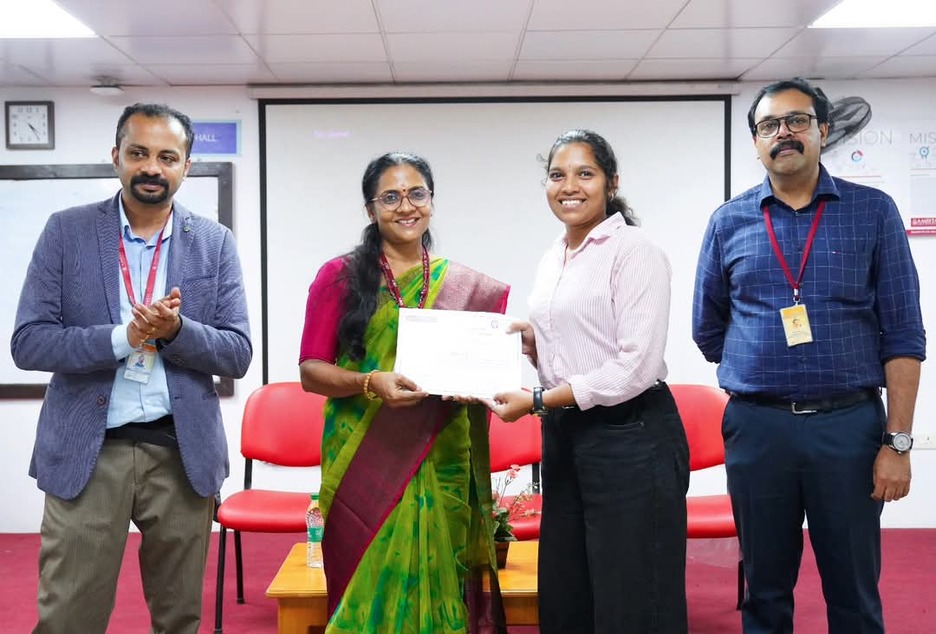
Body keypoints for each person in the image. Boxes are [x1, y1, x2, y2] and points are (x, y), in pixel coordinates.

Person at [692, 77, 925, 633]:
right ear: (756, 142)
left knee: (853, 589)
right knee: (764, 590)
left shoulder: (872, 212)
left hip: (847, 428)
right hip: (758, 429)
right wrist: (761, 363)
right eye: (769, 125)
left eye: (797, 121)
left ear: (822, 130)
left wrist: (898, 442)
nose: (784, 133)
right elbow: (708, 328)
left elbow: (903, 334)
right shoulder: (729, 221)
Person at [11, 103, 252, 634]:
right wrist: (125, 338)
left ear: (186, 166)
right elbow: (29, 343)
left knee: (179, 620)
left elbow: (236, 353)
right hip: (89, 451)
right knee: (69, 619)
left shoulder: (213, 242)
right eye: (139, 153)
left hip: (180, 453)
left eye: (167, 157)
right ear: (116, 156)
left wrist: (176, 331)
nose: (152, 167)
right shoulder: (67, 232)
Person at [298, 152, 510, 633]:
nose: (406, 206)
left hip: (441, 450)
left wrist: (474, 386)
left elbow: (475, 369)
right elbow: (311, 372)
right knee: (366, 580)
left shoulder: (460, 284)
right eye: (390, 197)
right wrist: (369, 382)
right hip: (364, 455)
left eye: (417, 194)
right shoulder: (339, 276)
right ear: (370, 209)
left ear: (431, 201)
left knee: (440, 571)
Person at [488, 129, 690, 633]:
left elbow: (634, 367)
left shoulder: (634, 251)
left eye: (585, 173)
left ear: (611, 182)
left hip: (630, 435)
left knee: (633, 595)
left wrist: (538, 400)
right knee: (568, 588)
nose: (569, 186)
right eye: (557, 175)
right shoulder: (554, 254)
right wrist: (536, 343)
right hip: (566, 433)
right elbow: (579, 342)